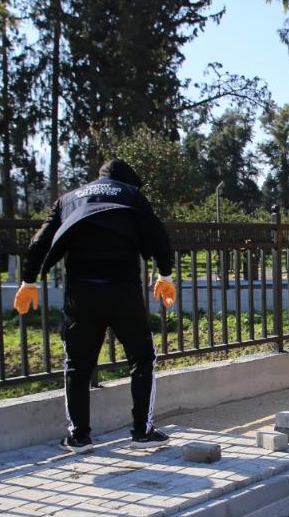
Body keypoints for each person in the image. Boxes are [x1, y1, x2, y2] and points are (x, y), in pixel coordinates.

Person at [14, 159, 178, 453]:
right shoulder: (131, 196)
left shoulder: (68, 200)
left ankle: (78, 436)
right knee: (142, 356)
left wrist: (28, 280)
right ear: (127, 181)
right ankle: (142, 432)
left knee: (77, 364)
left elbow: (40, 242)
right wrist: (164, 274)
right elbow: (158, 237)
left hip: (81, 293)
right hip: (123, 291)